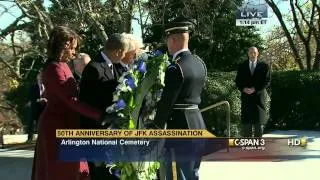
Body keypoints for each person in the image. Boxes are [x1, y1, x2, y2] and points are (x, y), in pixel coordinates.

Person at [31, 26, 108, 180]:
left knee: (76, 170)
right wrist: (100, 115)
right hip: (56, 125)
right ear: (63, 46)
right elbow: (70, 100)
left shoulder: (63, 65)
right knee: (63, 172)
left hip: (68, 122)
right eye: (72, 48)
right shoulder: (54, 68)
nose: (74, 53)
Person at [152, 17, 207, 180]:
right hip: (198, 123)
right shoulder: (199, 63)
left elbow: (167, 103)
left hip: (179, 127)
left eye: (168, 39)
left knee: (177, 174)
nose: (167, 44)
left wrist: (155, 126)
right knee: (192, 173)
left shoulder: (176, 67)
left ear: (173, 39)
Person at [79, 33, 129, 180]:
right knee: (100, 175)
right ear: (118, 52)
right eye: (124, 53)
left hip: (108, 134)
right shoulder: (94, 68)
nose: (124, 56)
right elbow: (87, 105)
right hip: (96, 133)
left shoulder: (112, 66)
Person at [235, 46, 270, 137]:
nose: (253, 54)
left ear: (258, 54)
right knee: (247, 126)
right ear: (248, 53)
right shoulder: (242, 66)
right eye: (251, 52)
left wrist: (255, 89)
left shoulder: (264, 66)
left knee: (258, 126)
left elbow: (267, 81)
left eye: (254, 52)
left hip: (258, 99)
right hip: (246, 99)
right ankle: (247, 147)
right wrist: (243, 88)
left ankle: (257, 147)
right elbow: (238, 81)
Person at [26, 72, 47, 143]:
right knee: (31, 123)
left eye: (42, 77)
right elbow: (30, 97)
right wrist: (38, 100)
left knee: (41, 123)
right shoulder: (33, 87)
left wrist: (46, 100)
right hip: (34, 107)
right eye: (40, 77)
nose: (41, 78)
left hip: (43, 108)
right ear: (37, 78)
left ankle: (41, 138)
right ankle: (29, 138)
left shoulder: (46, 87)